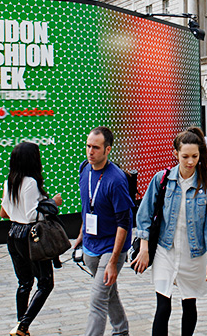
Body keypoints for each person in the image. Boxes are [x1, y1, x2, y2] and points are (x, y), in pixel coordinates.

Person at [132, 127, 207, 336]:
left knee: (189, 305)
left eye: (194, 156)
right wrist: (144, 247)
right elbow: (144, 214)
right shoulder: (162, 179)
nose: (190, 162)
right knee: (163, 306)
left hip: (194, 254)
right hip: (165, 249)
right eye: (185, 156)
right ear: (175, 154)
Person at [74, 126, 134, 336]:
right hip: (91, 244)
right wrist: (81, 234)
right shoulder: (85, 168)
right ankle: (121, 330)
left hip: (111, 246)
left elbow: (124, 222)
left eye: (96, 148)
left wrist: (114, 261)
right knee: (109, 293)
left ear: (108, 150)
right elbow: (87, 206)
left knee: (97, 299)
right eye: (89, 146)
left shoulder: (116, 180)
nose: (91, 151)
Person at [1, 143, 63, 336]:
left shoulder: (9, 181)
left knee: (24, 282)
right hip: (31, 237)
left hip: (13, 234)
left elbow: (4, 213)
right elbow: (31, 216)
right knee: (45, 283)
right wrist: (52, 203)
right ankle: (23, 326)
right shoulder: (30, 183)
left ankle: (21, 326)